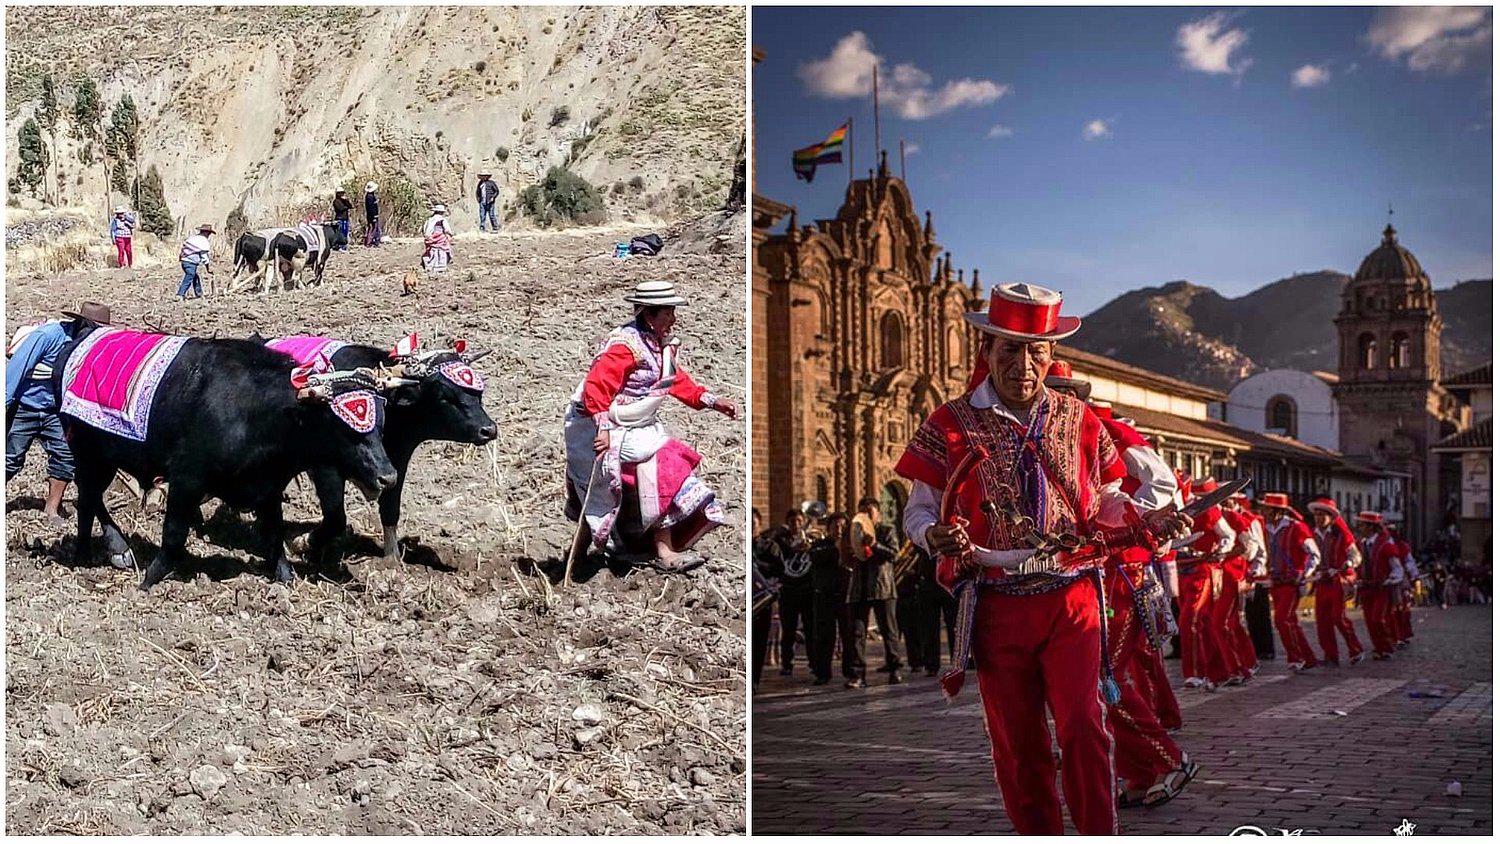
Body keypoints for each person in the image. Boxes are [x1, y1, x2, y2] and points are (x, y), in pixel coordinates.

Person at [895, 282, 1192, 834]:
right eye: (1010, 349)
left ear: (1051, 354)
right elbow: (919, 510)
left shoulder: (1081, 421)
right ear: (986, 350)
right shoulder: (950, 422)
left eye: (1036, 351)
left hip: (1073, 597)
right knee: (1018, 742)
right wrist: (932, 535)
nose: (1024, 364)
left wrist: (1144, 521)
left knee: (1084, 723)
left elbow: (1106, 497)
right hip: (997, 603)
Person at [1043, 364, 1196, 808]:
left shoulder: (1104, 429)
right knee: (1104, 680)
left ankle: (1169, 760)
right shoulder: (1044, 442)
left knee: (1100, 677)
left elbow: (1165, 486)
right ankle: (1137, 772)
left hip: (1122, 577)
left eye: (1052, 392)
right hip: (1082, 574)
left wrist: (1126, 523)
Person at [563, 280, 736, 570]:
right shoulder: (625, 347)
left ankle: (582, 554)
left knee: (648, 473)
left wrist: (712, 401)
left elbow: (674, 381)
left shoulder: (657, 345)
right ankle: (662, 551)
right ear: (648, 314)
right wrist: (603, 429)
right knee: (665, 463)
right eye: (667, 312)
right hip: (604, 423)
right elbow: (597, 387)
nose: (673, 319)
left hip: (637, 424)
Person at [6, 303, 113, 526]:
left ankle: (52, 509)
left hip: (56, 410)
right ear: (82, 324)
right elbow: (16, 369)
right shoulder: (47, 336)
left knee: (65, 458)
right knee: (11, 459)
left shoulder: (89, 345)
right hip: (25, 406)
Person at [1178, 478, 1240, 690]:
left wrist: (1219, 552)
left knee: (1190, 620)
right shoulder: (1170, 507)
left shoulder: (1208, 509)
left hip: (1202, 570)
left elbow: (1228, 535)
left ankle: (1195, 673)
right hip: (1179, 570)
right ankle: (1216, 671)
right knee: (1199, 624)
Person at [845, 496, 903, 688]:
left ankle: (895, 668)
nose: (866, 516)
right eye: (863, 512)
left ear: (877, 514)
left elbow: (894, 553)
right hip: (859, 587)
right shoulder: (853, 532)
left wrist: (875, 545)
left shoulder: (886, 530)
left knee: (889, 631)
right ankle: (857, 675)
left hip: (882, 587)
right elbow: (844, 558)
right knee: (857, 633)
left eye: (870, 512)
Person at [1260, 493, 1320, 671]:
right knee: (1290, 620)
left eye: (1267, 508)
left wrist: (1304, 574)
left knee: (1281, 619)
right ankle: (1308, 658)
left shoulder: (1297, 528)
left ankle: (1296, 657)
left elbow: (1314, 554)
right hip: (1275, 581)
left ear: (1277, 511)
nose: (1264, 511)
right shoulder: (1266, 528)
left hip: (1292, 583)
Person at [1307, 497, 1365, 666]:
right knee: (1322, 620)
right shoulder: (1313, 535)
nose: (1318, 518)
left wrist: (1348, 564)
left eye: (1322, 515)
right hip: (1321, 581)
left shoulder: (1342, 535)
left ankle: (1356, 649)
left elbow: (1356, 556)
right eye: (1316, 515)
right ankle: (1330, 655)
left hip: (1338, 580)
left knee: (1338, 617)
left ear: (1331, 517)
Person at [770, 508, 815, 676]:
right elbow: (778, 555)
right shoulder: (781, 540)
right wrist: (794, 548)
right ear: (788, 523)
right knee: (788, 630)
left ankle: (812, 662)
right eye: (792, 522)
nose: (796, 525)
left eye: (798, 521)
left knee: (810, 630)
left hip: (806, 589)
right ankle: (787, 664)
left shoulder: (811, 539)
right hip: (788, 590)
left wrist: (809, 547)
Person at [807, 511, 850, 685]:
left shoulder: (851, 545)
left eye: (842, 526)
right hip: (824, 595)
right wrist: (837, 548)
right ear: (829, 528)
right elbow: (815, 557)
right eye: (835, 526)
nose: (838, 529)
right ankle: (822, 673)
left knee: (849, 635)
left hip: (846, 595)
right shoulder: (820, 544)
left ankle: (850, 671)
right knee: (824, 636)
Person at [1354, 511, 1401, 659]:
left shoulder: (1385, 544)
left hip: (1381, 589)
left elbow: (1396, 566)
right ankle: (1379, 649)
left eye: (1362, 525)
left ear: (1371, 527)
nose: (1359, 528)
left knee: (1377, 619)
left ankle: (1386, 647)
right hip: (1366, 589)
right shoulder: (1360, 544)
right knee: (1369, 621)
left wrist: (1391, 580)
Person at [751, 508, 782, 692]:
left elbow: (779, 570)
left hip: (762, 600)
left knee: (759, 642)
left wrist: (757, 564)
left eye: (753, 524)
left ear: (759, 525)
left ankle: (755, 679)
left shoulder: (770, 547)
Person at [177, 224, 214, 300]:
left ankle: (199, 294)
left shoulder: (192, 238)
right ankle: (180, 294)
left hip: (184, 261)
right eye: (209, 233)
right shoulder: (203, 241)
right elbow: (204, 257)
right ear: (206, 233)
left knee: (195, 277)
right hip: (190, 262)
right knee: (190, 276)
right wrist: (208, 268)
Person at [422, 204, 453, 272]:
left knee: (433, 250)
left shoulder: (430, 220)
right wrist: (450, 234)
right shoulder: (442, 220)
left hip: (431, 237)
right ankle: (440, 266)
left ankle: (431, 265)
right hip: (440, 237)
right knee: (442, 250)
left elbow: (425, 229)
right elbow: (447, 229)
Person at [363, 181, 383, 247]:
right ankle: (369, 242)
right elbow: (371, 208)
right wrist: (374, 216)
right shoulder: (370, 197)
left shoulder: (368, 196)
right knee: (372, 228)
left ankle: (371, 241)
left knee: (371, 228)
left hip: (370, 215)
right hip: (372, 216)